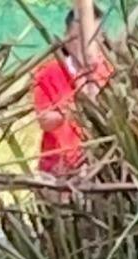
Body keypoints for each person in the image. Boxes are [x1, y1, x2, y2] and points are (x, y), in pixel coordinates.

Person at [32, 14, 111, 178]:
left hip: (103, 166)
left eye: (93, 37)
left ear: (102, 38)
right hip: (58, 169)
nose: (85, 44)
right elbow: (45, 121)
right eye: (78, 37)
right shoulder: (48, 73)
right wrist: (75, 108)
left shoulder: (110, 71)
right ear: (67, 38)